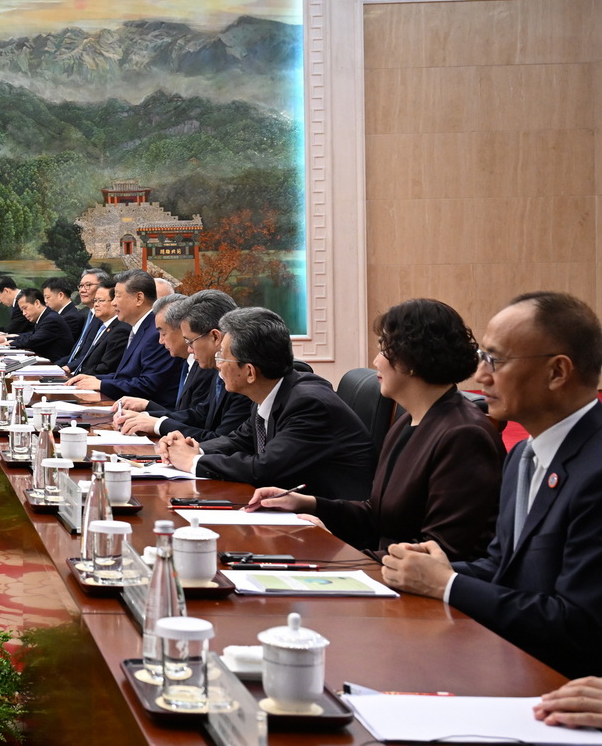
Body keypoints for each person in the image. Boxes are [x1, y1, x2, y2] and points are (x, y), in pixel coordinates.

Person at [382, 291, 602, 679]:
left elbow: (576, 623)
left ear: (558, 372)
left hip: (562, 686)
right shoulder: (523, 457)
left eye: (495, 360)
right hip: (509, 662)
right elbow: (501, 566)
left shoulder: (595, 470)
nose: (481, 375)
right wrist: (435, 567)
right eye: (483, 358)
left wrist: (448, 585)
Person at [250, 299, 501, 562]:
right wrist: (305, 502)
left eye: (383, 349)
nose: (375, 360)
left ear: (410, 358)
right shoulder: (408, 421)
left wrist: (339, 556)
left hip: (416, 593)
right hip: (388, 573)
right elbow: (379, 515)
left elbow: (440, 553)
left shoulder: (463, 436)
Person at [158, 307, 372, 499]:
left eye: (223, 357)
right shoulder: (272, 391)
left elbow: (264, 468)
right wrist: (194, 449)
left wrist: (193, 462)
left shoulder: (309, 404)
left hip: (330, 526)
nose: (218, 365)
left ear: (250, 371)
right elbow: (239, 440)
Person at [115, 290, 251, 441]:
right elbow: (201, 414)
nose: (189, 349)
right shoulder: (216, 367)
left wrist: (157, 424)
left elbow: (223, 441)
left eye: (190, 341)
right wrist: (149, 417)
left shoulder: (240, 375)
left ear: (215, 337)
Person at [66, 270, 183, 407]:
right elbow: (127, 376)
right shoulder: (140, 328)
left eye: (117, 296)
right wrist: (95, 379)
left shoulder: (156, 332)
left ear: (139, 298)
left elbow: (148, 385)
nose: (114, 303)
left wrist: (102, 384)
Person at [114, 293, 213, 437]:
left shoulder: (208, 367)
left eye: (163, 333)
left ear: (182, 329)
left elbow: (201, 422)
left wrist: (154, 421)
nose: (160, 341)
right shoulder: (191, 362)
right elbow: (190, 415)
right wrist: (147, 409)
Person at [60, 269, 116, 373]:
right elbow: (77, 352)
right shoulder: (87, 315)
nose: (82, 290)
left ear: (102, 286)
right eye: (80, 286)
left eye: (88, 285)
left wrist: (68, 368)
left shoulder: (104, 319)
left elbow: (90, 356)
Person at [72, 287, 131, 377]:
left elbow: (106, 367)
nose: (96, 305)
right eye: (95, 300)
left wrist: (78, 377)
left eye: (101, 300)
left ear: (114, 302)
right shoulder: (103, 326)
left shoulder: (120, 330)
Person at [7, 287, 74, 363]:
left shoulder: (51, 319)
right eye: (22, 310)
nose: (24, 313)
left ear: (37, 303)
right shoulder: (45, 316)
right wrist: (8, 338)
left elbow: (33, 340)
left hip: (56, 365)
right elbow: (32, 335)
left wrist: (10, 343)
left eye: (25, 308)